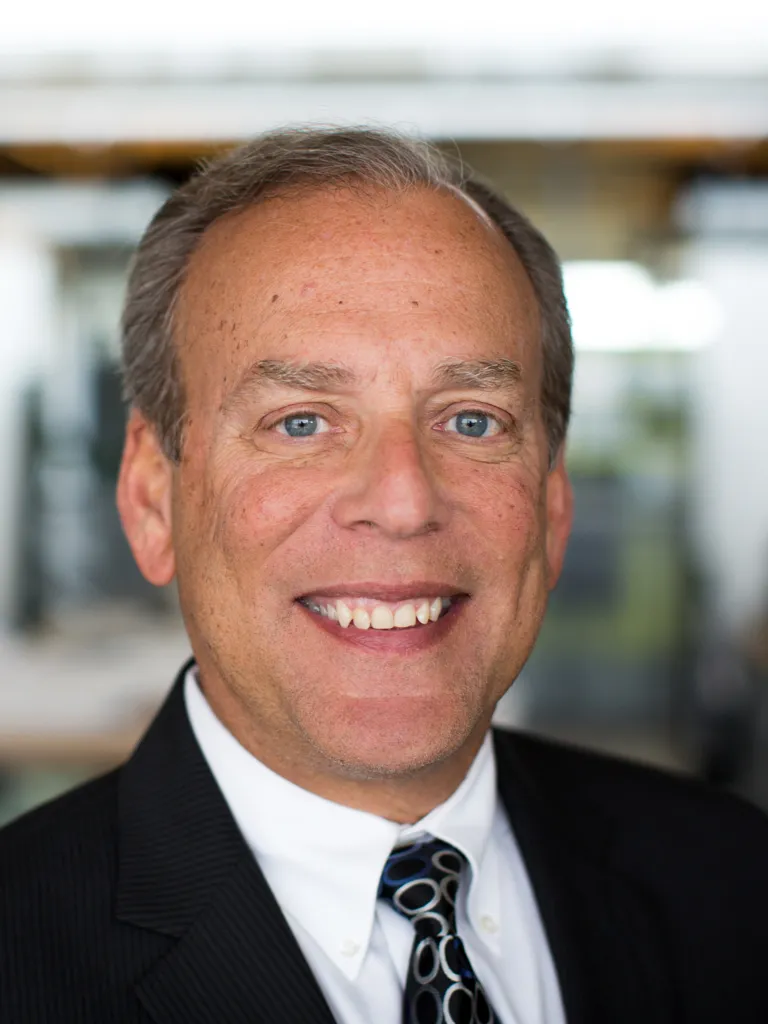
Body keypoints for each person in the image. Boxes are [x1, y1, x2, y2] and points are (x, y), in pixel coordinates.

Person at [1, 126, 767, 1024]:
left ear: (554, 506)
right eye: (301, 422)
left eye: (473, 421)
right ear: (151, 499)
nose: (403, 502)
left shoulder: (738, 883)